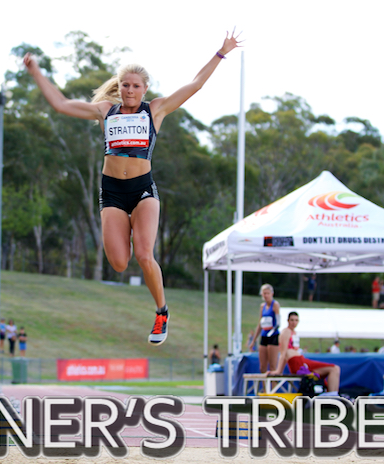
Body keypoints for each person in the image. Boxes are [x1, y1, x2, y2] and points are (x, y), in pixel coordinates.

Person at [24, 31, 242, 346]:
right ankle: (137, 261)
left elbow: (195, 85)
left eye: (136, 86)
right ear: (119, 86)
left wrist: (220, 53)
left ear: (145, 89)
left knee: (143, 253)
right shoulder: (104, 111)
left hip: (142, 190)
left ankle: (161, 311)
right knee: (118, 263)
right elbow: (60, 104)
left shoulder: (155, 110)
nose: (129, 90)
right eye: (125, 84)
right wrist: (35, 71)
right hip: (111, 192)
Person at [267, 311, 341, 396]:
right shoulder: (286, 332)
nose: (294, 323)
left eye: (296, 320)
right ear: (288, 321)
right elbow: (283, 353)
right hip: (297, 363)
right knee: (334, 368)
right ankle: (332, 395)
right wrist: (279, 370)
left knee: (335, 368)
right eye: (292, 320)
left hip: (301, 360)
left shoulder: (294, 333)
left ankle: (333, 394)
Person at [249, 284, 281, 373]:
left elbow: (278, 323)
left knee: (272, 366)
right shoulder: (262, 306)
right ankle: (265, 387)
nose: (266, 295)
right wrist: (253, 340)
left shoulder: (275, 305)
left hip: (273, 336)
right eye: (264, 293)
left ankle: (274, 386)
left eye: (268, 293)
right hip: (264, 336)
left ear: (272, 294)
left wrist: (271, 333)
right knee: (262, 367)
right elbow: (260, 324)